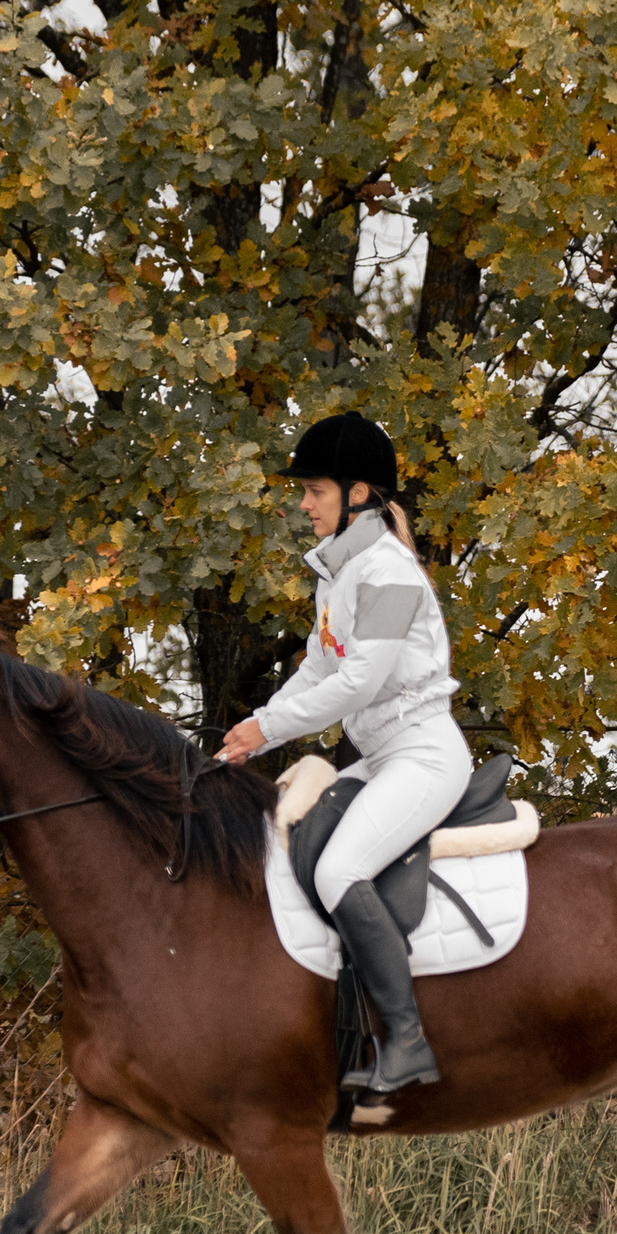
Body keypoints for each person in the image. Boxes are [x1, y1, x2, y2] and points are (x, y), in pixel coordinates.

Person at [215, 411, 469, 1095]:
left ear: (358, 494)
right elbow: (321, 667)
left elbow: (360, 681)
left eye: (315, 490)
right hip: (382, 756)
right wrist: (255, 726)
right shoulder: (340, 571)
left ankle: (408, 1041)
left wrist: (269, 729)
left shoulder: (390, 575)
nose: (304, 504)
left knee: (338, 871)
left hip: (424, 756)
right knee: (289, 845)